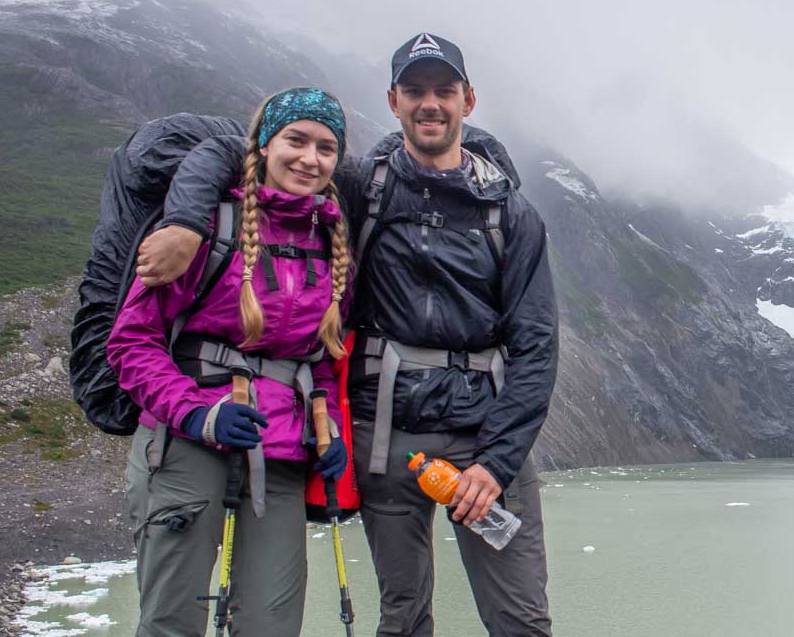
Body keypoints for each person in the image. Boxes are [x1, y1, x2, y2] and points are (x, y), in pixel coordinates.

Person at [138, 33, 559, 637]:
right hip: (386, 434)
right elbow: (237, 152)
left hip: (484, 434)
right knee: (403, 616)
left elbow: (537, 343)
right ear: (394, 101)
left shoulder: (511, 214)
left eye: (444, 91)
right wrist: (183, 223)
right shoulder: (364, 185)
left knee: (520, 620)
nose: (430, 104)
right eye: (415, 91)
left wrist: (495, 464)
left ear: (468, 99)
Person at [109, 87, 353, 637]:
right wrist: (196, 413)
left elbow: (313, 359)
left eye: (326, 147)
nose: (309, 159)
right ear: (265, 145)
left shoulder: (330, 242)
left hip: (283, 454)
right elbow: (131, 342)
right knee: (173, 622)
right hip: (186, 446)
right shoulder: (207, 231)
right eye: (296, 140)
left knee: (271, 624)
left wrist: (327, 430)